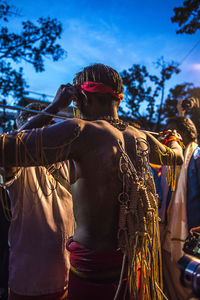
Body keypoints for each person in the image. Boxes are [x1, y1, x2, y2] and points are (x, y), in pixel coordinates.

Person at [0, 63, 184, 300]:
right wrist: (174, 138)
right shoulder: (141, 137)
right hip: (133, 265)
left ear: (81, 96)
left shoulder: (79, 131)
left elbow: (6, 148)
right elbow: (176, 157)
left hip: (92, 275)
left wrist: (55, 106)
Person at [0, 103, 74, 300]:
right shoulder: (17, 163)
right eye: (45, 129)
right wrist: (56, 105)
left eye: (52, 128)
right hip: (30, 280)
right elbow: (8, 147)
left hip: (68, 274)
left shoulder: (65, 160)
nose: (52, 135)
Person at [159, 116, 200, 300]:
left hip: (190, 242)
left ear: (183, 134)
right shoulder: (172, 163)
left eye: (171, 132)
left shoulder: (197, 157)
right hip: (168, 239)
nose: (167, 136)